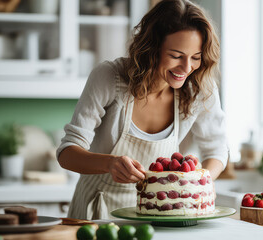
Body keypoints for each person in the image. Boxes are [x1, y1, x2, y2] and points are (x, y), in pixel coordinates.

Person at [57, 0, 228, 220]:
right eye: (176, 56)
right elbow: (67, 153)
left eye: (195, 57)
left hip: (161, 216)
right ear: (152, 47)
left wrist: (196, 184)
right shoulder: (109, 78)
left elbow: (217, 151)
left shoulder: (199, 89)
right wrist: (110, 164)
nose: (186, 68)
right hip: (99, 211)